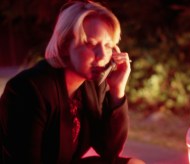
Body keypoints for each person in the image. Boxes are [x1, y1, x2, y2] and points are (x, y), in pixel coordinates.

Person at [0, 1, 145, 164]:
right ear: (64, 45)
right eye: (90, 44)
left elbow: (109, 150)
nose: (102, 55)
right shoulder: (28, 89)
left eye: (108, 45)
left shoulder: (93, 85)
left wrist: (117, 90)